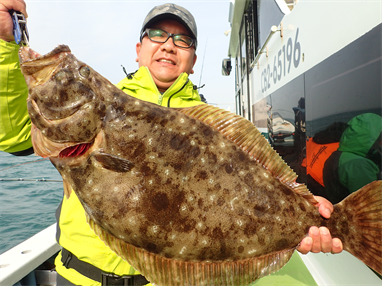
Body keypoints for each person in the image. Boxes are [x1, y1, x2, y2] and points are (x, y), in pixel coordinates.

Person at [0, 1, 343, 285]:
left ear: (192, 60)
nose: (168, 44)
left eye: (182, 40)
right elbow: (13, 136)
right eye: (157, 34)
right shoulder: (103, 110)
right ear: (139, 49)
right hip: (77, 278)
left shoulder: (208, 120)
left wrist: (308, 211)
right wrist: (5, 42)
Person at [323, 113, 382, 204]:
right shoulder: (358, 165)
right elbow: (372, 202)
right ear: (371, 138)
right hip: (358, 216)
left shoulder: (340, 156)